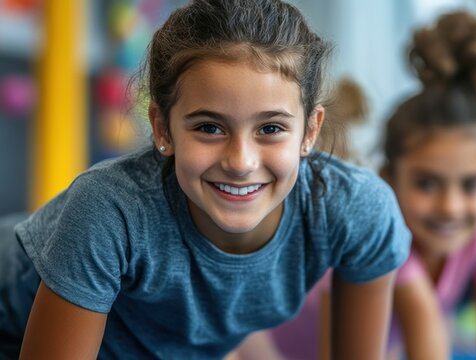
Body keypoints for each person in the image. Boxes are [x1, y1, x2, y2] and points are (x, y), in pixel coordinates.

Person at [0, 1, 410, 358]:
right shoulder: (109, 211)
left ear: (310, 131)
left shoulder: (357, 211)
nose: (241, 162)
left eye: (270, 129)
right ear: (161, 128)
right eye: (210, 128)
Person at [235, 11, 476, 360]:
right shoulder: (374, 236)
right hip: (265, 348)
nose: (450, 206)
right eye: (427, 184)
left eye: (471, 185)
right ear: (387, 180)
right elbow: (424, 323)